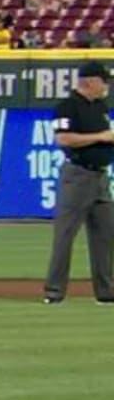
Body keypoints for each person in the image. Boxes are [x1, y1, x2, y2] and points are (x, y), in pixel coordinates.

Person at [44, 61, 114, 304]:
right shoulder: (67, 107)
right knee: (65, 235)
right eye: (104, 81)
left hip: (101, 177)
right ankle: (54, 292)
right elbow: (63, 139)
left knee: (105, 236)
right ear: (90, 81)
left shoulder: (101, 107)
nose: (107, 86)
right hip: (78, 175)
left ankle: (106, 293)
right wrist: (101, 137)